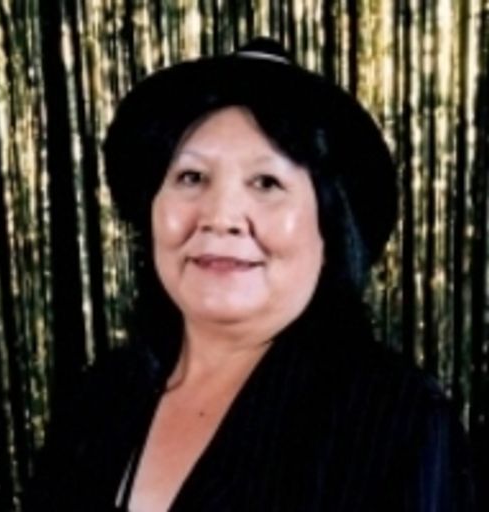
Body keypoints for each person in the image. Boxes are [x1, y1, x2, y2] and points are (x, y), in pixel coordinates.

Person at [26, 38, 475, 511]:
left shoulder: (397, 420)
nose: (220, 217)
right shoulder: (101, 396)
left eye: (266, 182)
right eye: (191, 177)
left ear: (330, 228)